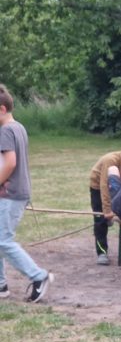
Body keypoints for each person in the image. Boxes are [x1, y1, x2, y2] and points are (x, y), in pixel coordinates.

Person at [0, 84, 53, 302]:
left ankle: (39, 276)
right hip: (17, 192)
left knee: (4, 241)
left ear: (2, 109)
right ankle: (1, 285)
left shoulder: (5, 131)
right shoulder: (19, 127)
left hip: (10, 193)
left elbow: (10, 163)